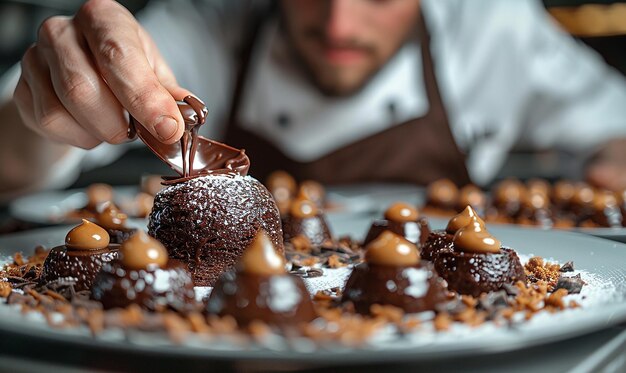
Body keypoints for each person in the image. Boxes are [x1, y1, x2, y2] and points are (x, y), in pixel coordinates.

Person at [1, 0, 626, 198]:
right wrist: (47, 109)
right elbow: (11, 159)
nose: (338, 26)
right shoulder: (208, 27)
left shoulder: (495, 28)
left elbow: (614, 124)